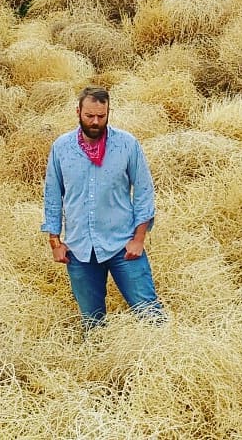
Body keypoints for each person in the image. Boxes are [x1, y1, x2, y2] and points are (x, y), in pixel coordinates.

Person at [41, 85, 165, 329]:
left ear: (109, 112)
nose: (96, 122)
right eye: (89, 116)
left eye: (101, 116)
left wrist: (139, 239)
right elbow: (53, 196)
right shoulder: (62, 148)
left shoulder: (127, 145)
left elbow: (143, 192)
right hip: (79, 250)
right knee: (92, 323)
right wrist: (55, 242)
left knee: (151, 316)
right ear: (78, 112)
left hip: (123, 246)